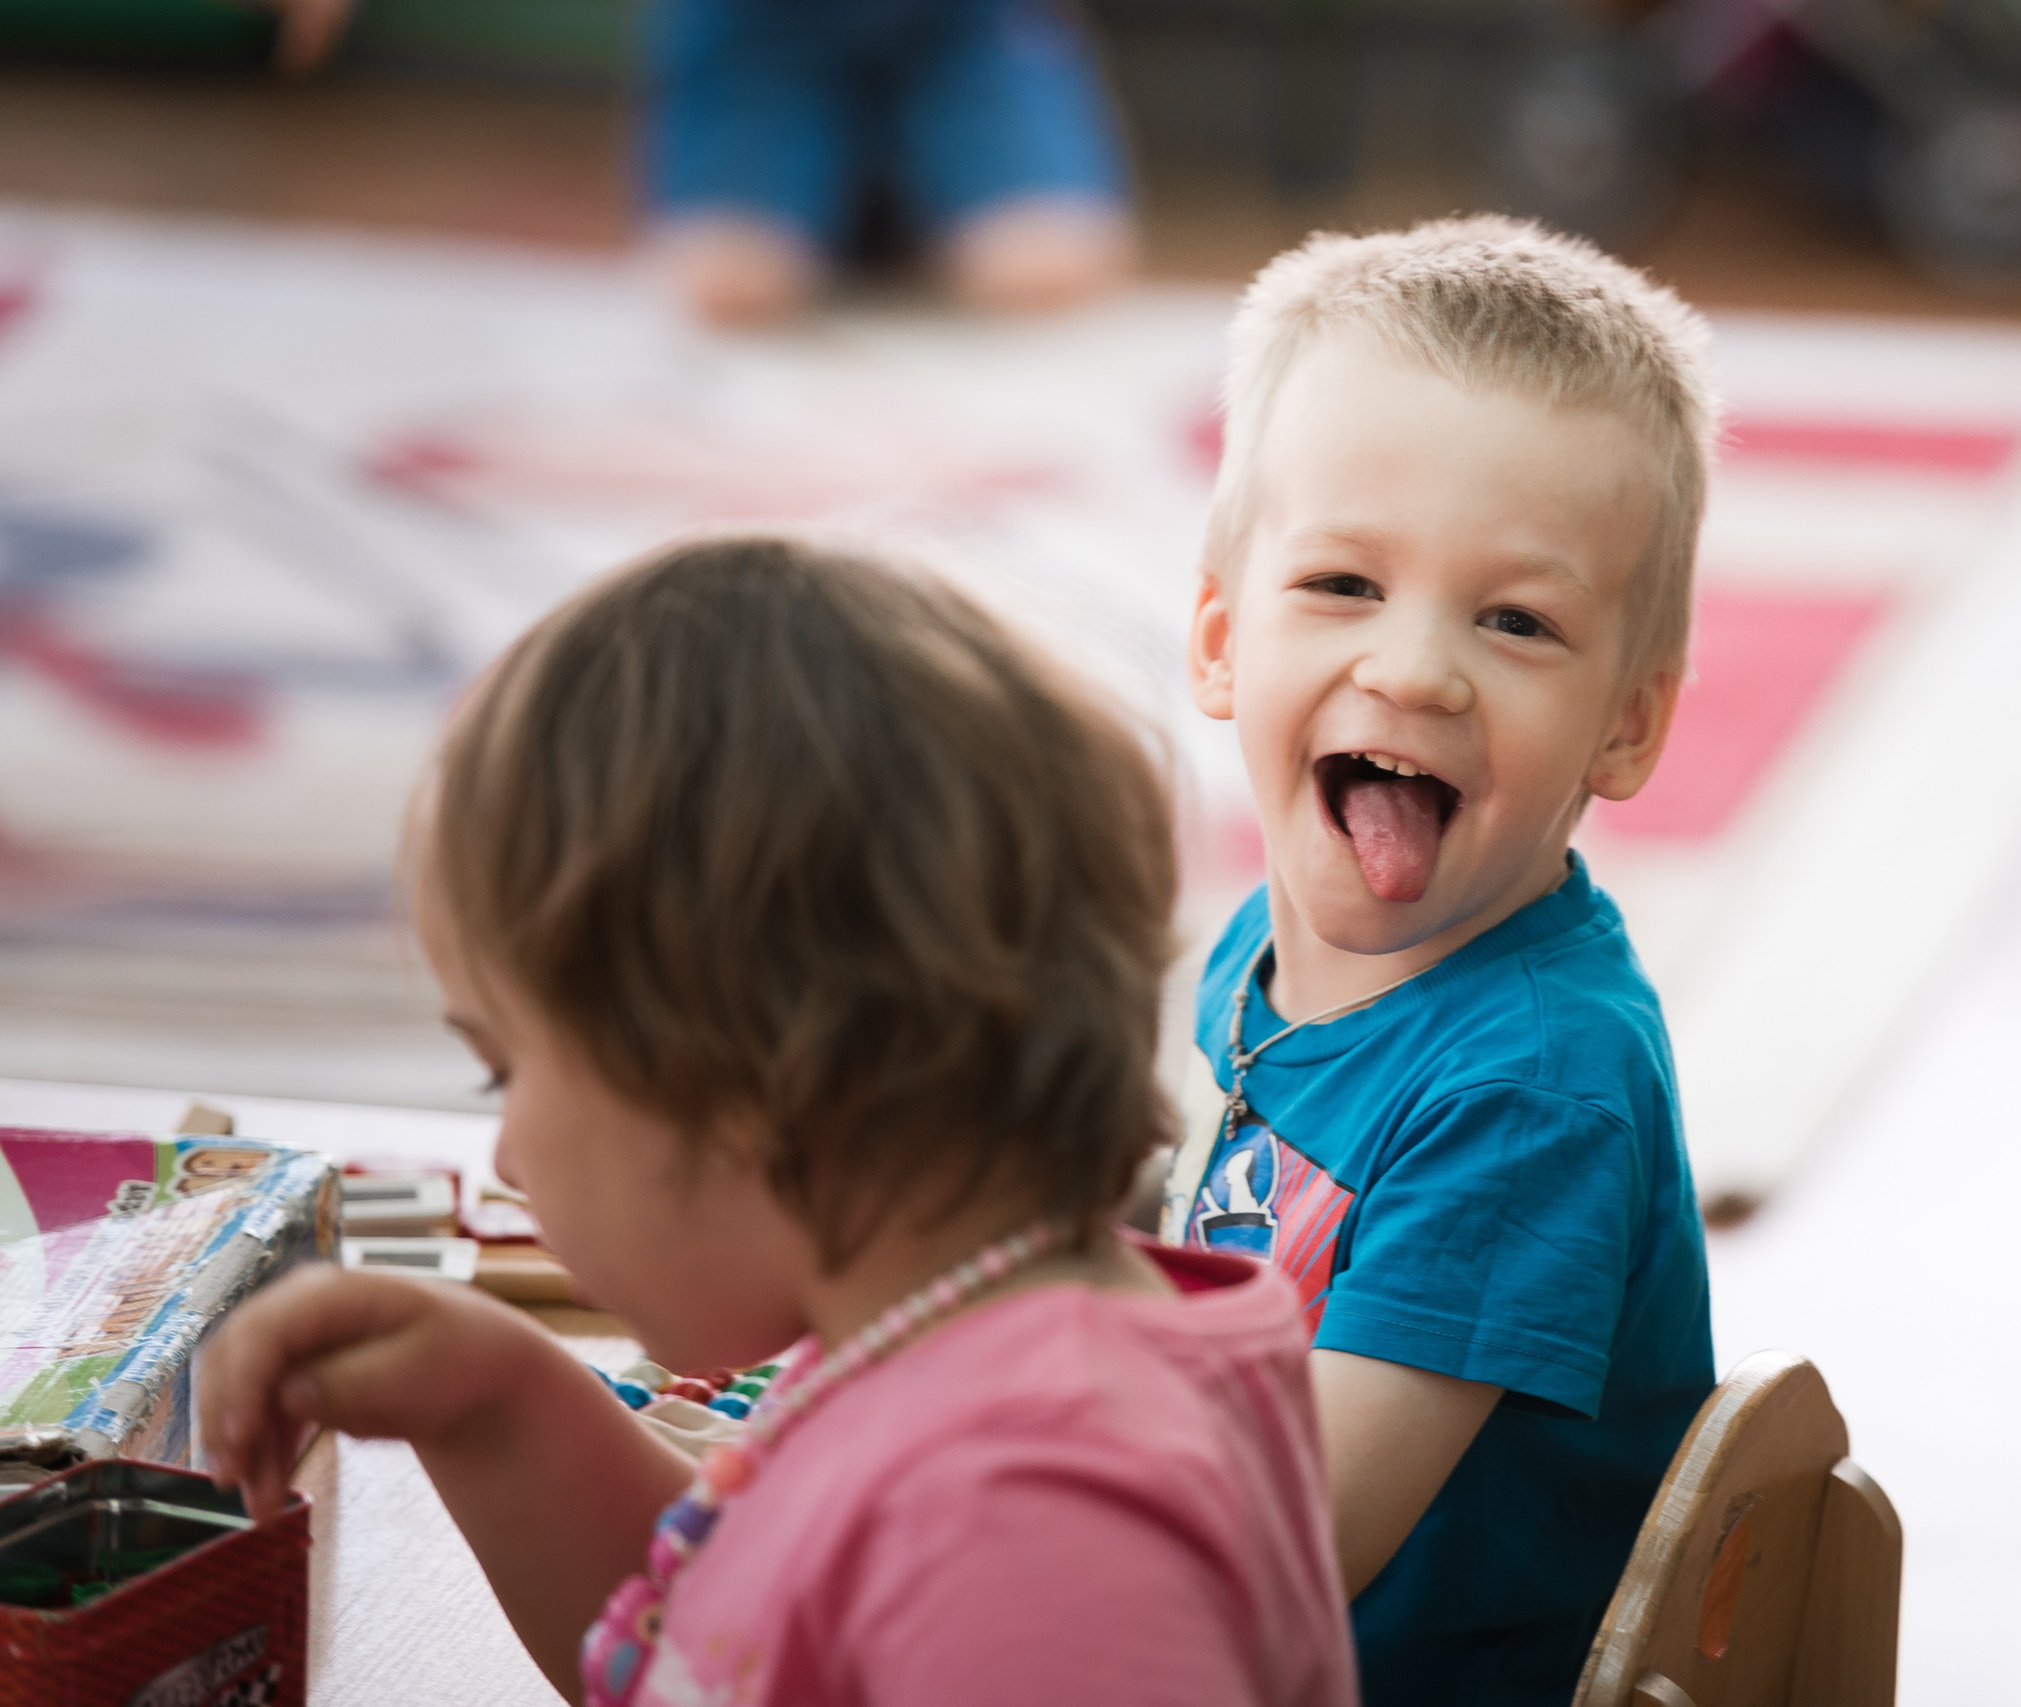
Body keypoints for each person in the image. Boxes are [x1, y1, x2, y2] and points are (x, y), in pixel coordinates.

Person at [198, 538, 1356, 1707]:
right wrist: (495, 1408)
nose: (503, 1152)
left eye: (506, 1072)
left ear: (739, 1081)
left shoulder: (1037, 1521)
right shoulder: (934, 1345)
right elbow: (722, 1649)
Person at [1168, 215, 1721, 1704]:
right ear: (1220, 640)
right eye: (1344, 583)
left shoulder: (1535, 1087)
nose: (1414, 666)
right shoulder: (1256, 945)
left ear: (1629, 722)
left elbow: (1291, 1541)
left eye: (1517, 618)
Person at [262, 0, 1137, 324]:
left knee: (1048, 269)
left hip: (961, 30)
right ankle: (842, 198)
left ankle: (889, 194)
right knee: (727, 287)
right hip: (758, 35)